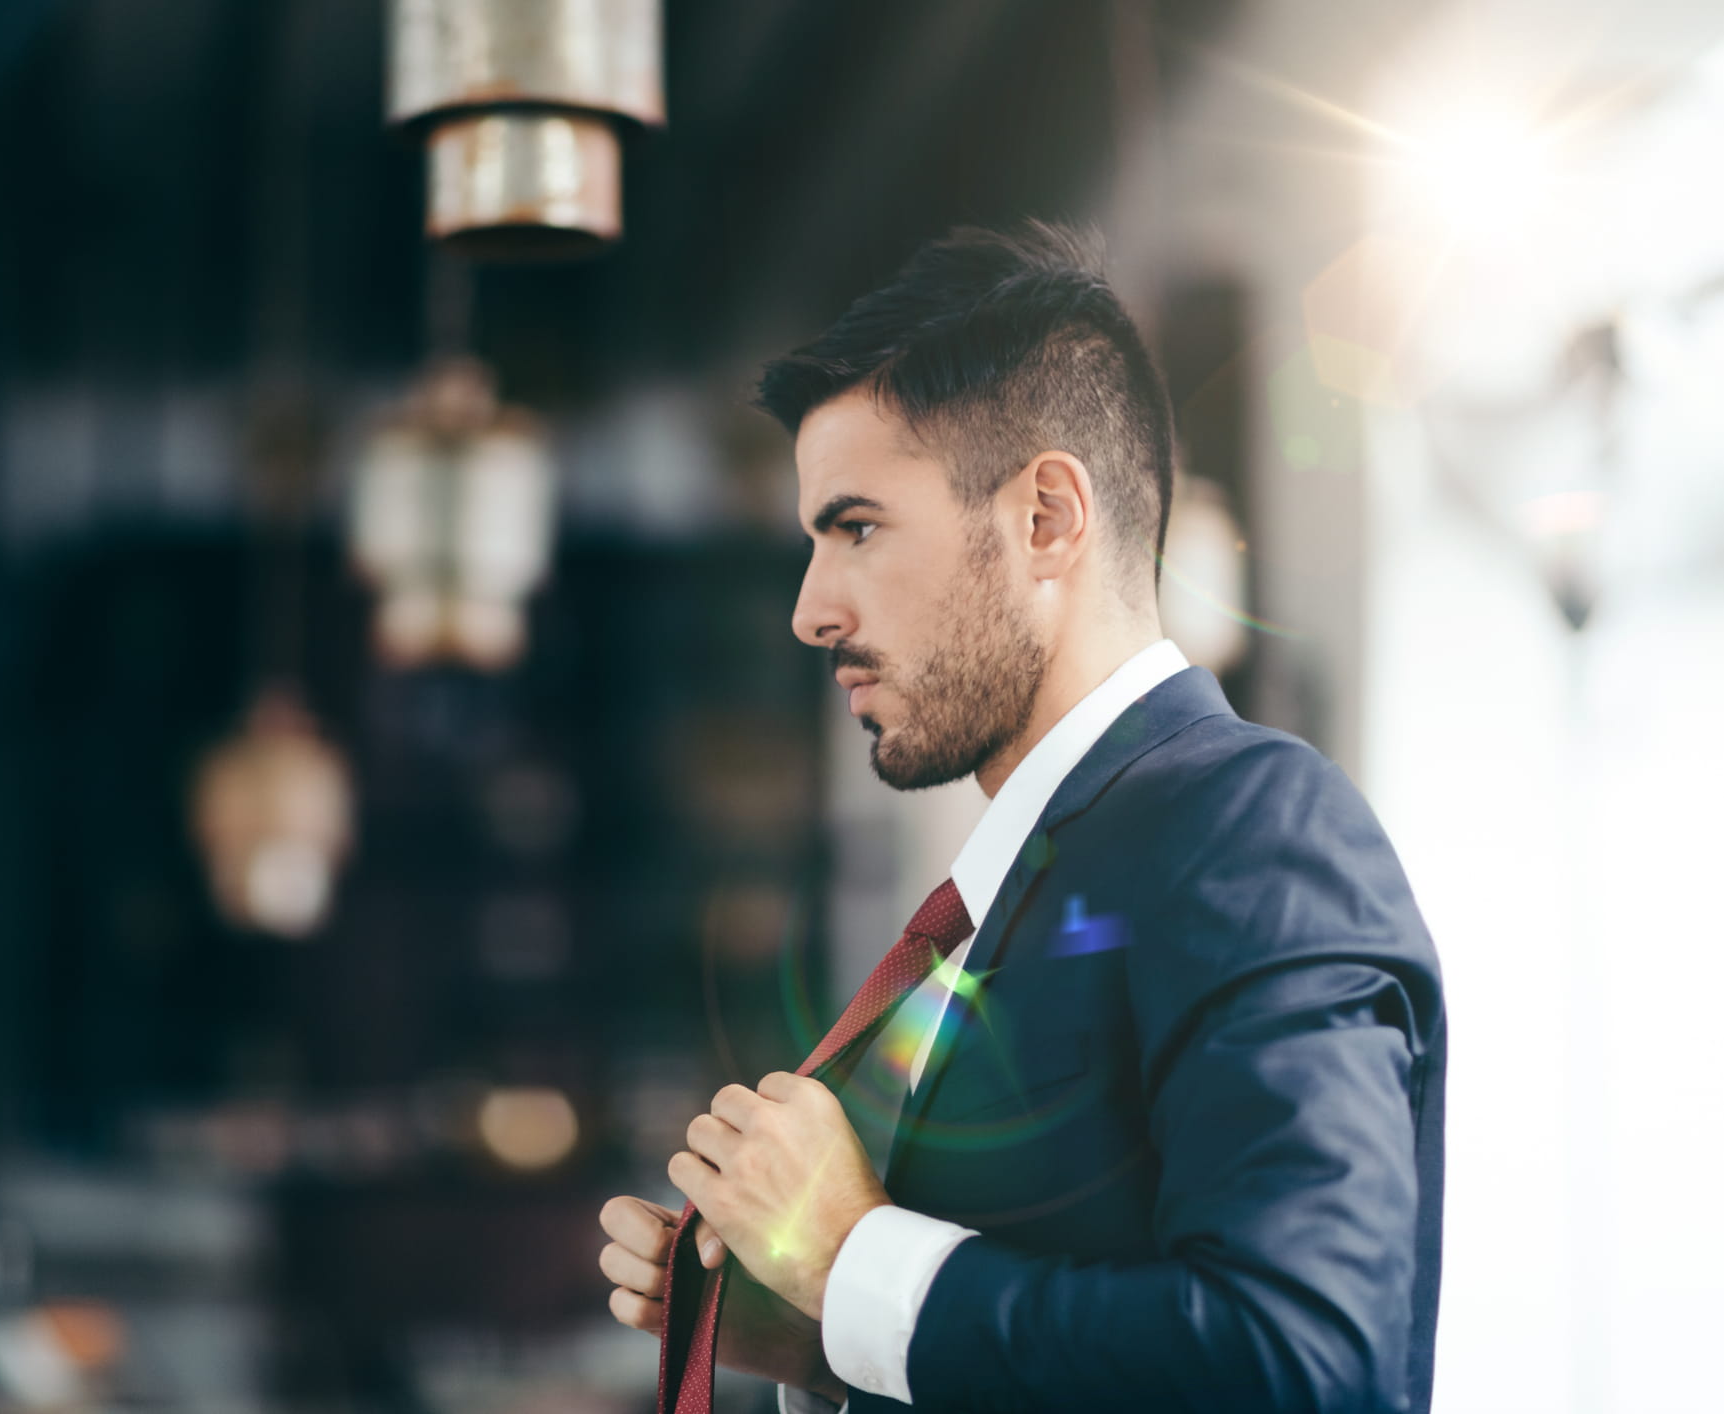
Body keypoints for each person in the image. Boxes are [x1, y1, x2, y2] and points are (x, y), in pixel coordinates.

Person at [597, 223, 1445, 1413]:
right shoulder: (1044, 880)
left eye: (857, 526)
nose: (809, 610)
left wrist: (855, 1260)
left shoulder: (1251, 826)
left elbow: (1302, 1363)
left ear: (1046, 518)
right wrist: (826, 1335)